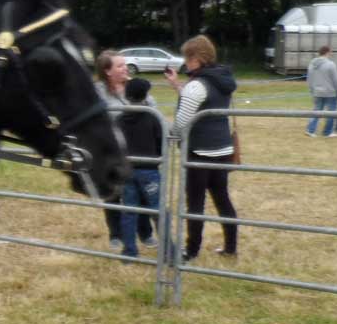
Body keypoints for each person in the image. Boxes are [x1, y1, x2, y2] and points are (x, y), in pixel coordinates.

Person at [165, 34, 238, 260]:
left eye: (188, 58)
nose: (185, 63)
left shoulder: (197, 85)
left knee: (195, 202)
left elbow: (183, 120)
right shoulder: (221, 79)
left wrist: (171, 137)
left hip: (200, 151)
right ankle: (230, 247)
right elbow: (201, 102)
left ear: (197, 58)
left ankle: (192, 250)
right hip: (223, 149)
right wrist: (178, 86)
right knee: (222, 198)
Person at [95, 51, 156, 250]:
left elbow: (152, 110)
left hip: (137, 151)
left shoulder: (136, 86)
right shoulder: (97, 92)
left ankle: (145, 233)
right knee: (113, 193)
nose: (125, 69)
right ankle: (116, 234)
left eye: (125, 65)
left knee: (141, 193)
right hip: (109, 152)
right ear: (107, 71)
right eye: (120, 66)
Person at [118, 77, 163, 258]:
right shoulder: (152, 116)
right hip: (149, 170)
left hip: (128, 170)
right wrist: (157, 159)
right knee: (157, 210)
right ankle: (168, 251)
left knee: (129, 211)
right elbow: (161, 142)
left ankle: (129, 251)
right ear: (146, 94)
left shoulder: (120, 118)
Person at [305, 45, 337, 138]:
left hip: (317, 91)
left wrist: (311, 90)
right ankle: (327, 132)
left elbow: (309, 79)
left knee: (316, 111)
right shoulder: (331, 64)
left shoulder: (312, 64)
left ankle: (310, 130)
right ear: (327, 52)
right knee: (331, 112)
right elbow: (336, 80)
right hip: (330, 92)